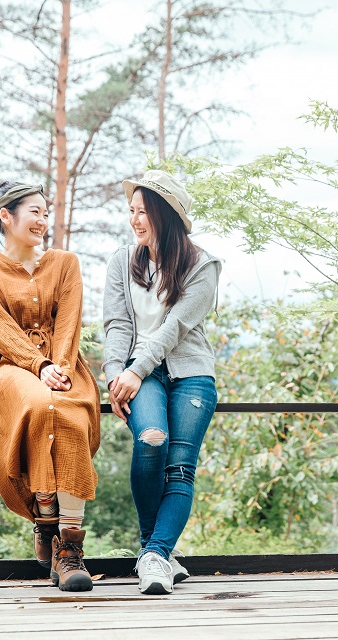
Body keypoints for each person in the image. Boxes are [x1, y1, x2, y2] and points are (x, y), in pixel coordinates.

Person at [0, 182, 100, 592]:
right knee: (40, 406)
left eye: (46, 213)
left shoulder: (65, 263)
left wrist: (57, 367)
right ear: (6, 216)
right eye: (34, 213)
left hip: (62, 362)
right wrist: (37, 365)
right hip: (9, 366)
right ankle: (45, 519)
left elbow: (70, 320)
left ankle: (69, 545)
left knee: (69, 412)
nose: (43, 221)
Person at [103, 170, 221, 595]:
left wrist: (136, 370)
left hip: (191, 375)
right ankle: (159, 554)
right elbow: (117, 322)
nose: (135, 220)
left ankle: (153, 555)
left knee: (180, 468)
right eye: (132, 211)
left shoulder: (202, 265)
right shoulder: (122, 260)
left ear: (166, 215)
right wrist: (117, 373)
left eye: (144, 212)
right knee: (151, 439)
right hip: (139, 373)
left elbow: (176, 327)